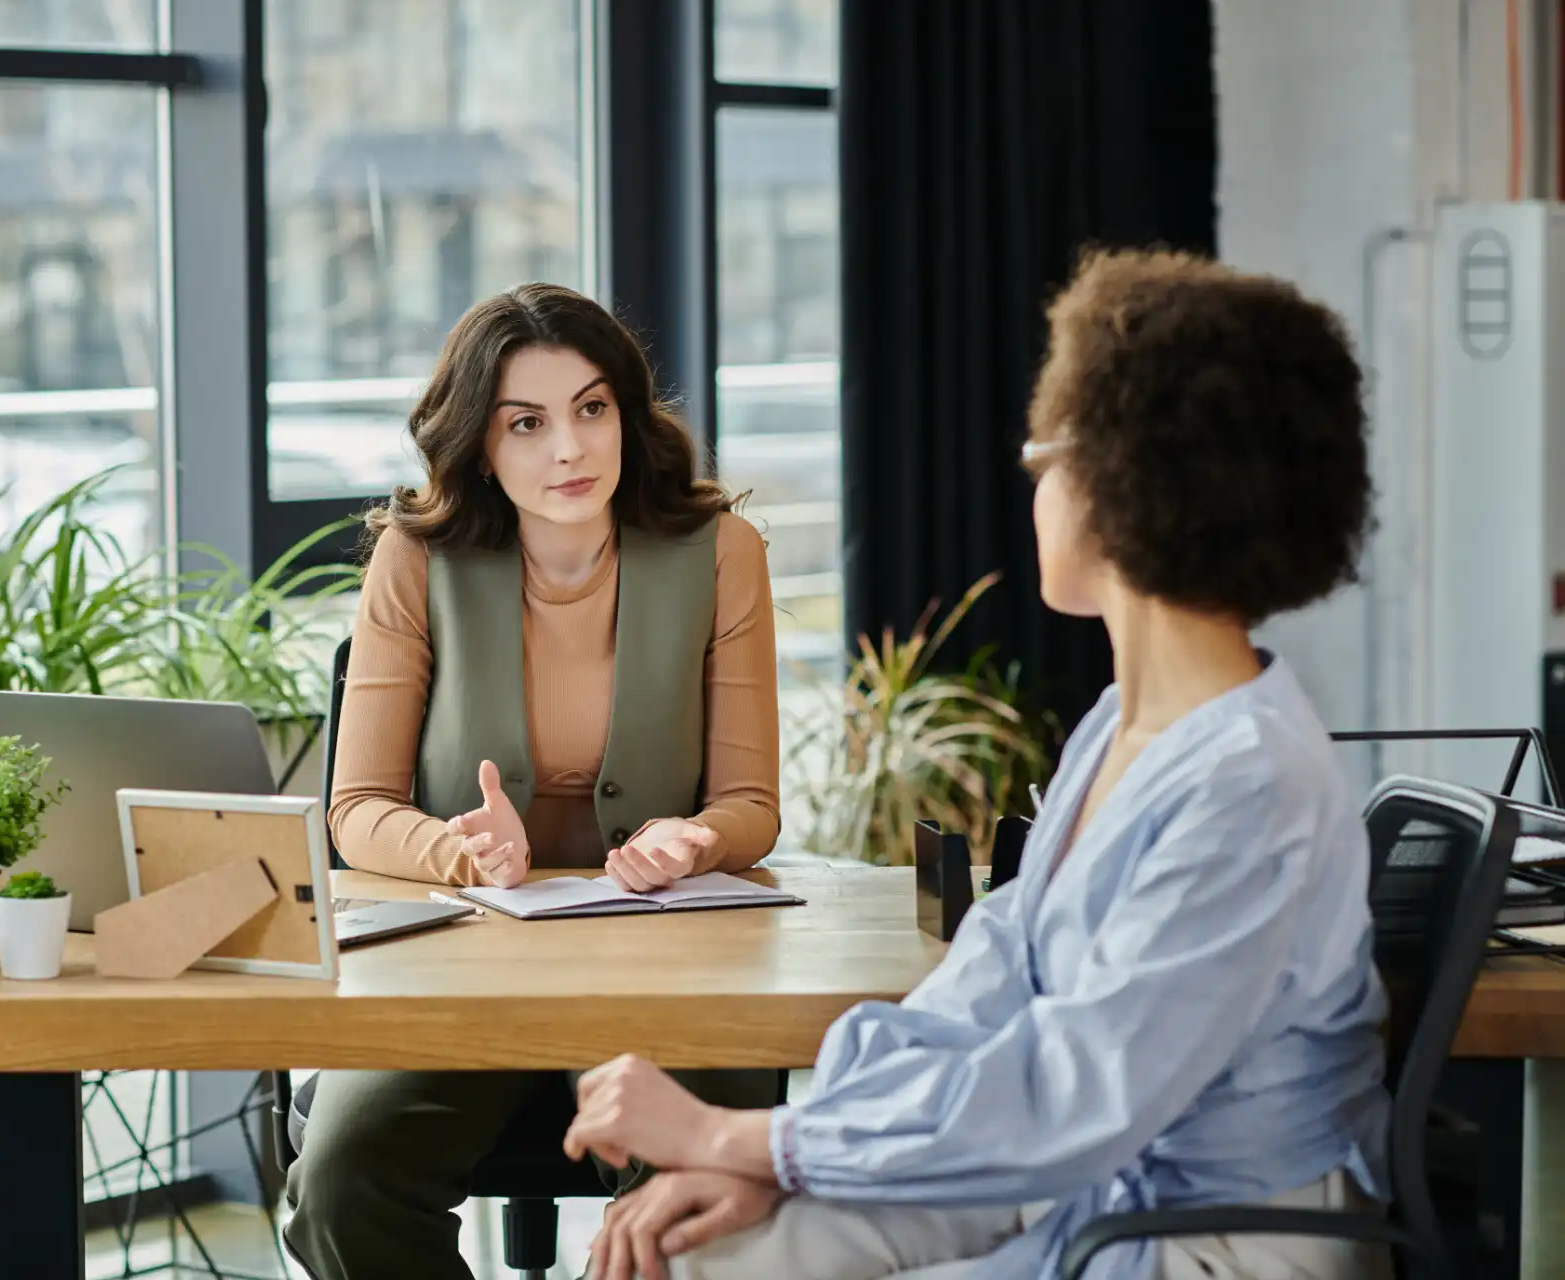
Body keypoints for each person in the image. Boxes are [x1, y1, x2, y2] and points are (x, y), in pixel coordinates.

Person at [562, 249, 1393, 1280]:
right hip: (1074, 1181)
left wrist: (745, 1139)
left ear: (1128, 478)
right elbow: (985, 993)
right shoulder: (1120, 729)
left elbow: (1079, 1090)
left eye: (1047, 452)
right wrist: (790, 1165)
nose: (1034, 477)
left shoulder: (1249, 782)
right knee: (696, 1255)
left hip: (1203, 1235)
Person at [282, 282, 784, 1279]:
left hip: (662, 960)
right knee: (342, 1183)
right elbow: (355, 810)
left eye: (592, 409)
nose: (570, 448)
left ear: (627, 418)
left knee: (694, 1194)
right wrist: (453, 847)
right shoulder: (413, 560)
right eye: (528, 421)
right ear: (479, 442)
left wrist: (696, 838)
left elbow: (751, 805)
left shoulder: (721, 551)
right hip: (457, 966)